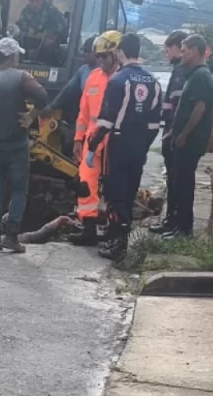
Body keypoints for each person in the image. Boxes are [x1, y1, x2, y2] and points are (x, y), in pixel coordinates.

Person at [86, 33, 161, 260]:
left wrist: (91, 148)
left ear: (120, 52)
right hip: (139, 145)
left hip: (118, 144)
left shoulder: (118, 81)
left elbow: (105, 122)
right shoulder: (154, 83)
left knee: (114, 194)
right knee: (129, 192)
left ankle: (117, 245)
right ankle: (121, 241)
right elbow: (154, 125)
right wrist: (143, 144)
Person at [0, 37, 49, 253]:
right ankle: (12, 237)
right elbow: (42, 95)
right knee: (18, 190)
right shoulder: (20, 77)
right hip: (16, 145)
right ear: (13, 56)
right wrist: (31, 115)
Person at [68, 31, 121, 246]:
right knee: (85, 184)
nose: (101, 61)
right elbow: (83, 113)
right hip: (92, 142)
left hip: (114, 143)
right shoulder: (93, 77)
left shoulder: (121, 79)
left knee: (113, 188)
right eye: (99, 57)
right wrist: (78, 140)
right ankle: (88, 228)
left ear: (116, 54)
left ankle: (113, 229)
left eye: (104, 57)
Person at [164, 34, 213, 239]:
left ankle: (184, 229)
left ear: (194, 51)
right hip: (184, 138)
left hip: (191, 142)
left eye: (184, 51)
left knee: (185, 185)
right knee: (179, 182)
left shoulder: (201, 76)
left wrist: (184, 135)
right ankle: (178, 226)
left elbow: (200, 108)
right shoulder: (194, 74)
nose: (182, 55)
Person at [150, 30, 189, 235]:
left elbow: (179, 105)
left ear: (178, 48)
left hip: (174, 134)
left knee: (176, 181)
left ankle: (174, 222)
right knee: (173, 180)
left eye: (168, 50)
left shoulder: (181, 72)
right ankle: (171, 220)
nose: (167, 54)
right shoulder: (179, 71)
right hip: (171, 131)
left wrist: (172, 131)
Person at [15, 0, 67, 64]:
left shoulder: (51, 11)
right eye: (32, 1)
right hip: (29, 45)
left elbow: (63, 26)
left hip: (48, 47)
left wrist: (53, 36)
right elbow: (22, 30)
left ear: (42, 0)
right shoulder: (25, 12)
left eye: (37, 1)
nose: (34, 4)